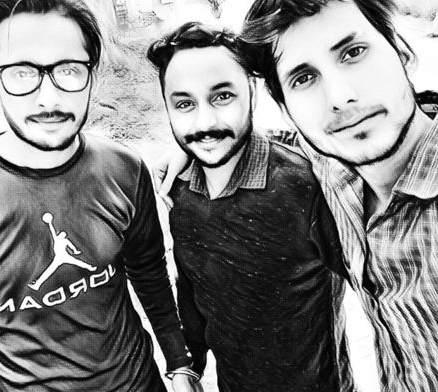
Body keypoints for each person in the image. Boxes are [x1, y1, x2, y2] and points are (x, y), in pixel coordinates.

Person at [159, 0, 438, 391]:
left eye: (353, 52)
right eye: (304, 78)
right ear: (286, 106)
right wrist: (195, 142)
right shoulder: (338, 176)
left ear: (401, 51)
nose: (340, 97)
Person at [0, 0, 199, 391]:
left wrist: (180, 363)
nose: (49, 98)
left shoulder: (124, 169)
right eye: (22, 73)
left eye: (68, 70)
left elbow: (150, 273)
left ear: (91, 76)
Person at [147, 22, 355, 391]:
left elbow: (385, 284)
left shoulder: (305, 184)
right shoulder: (178, 190)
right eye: (184, 104)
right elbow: (191, 290)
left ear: (252, 92)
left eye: (222, 96)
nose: (205, 122)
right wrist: (188, 366)